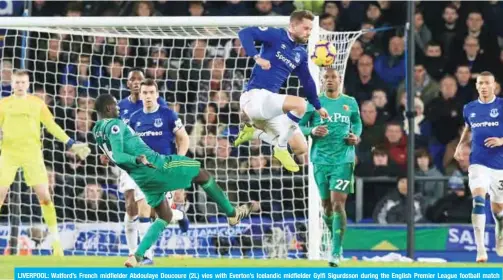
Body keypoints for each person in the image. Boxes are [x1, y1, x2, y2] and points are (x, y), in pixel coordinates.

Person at [92, 94, 258, 267]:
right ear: (108, 108)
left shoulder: (96, 130)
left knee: (164, 215)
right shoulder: (115, 125)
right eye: (115, 105)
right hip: (157, 165)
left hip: (140, 179)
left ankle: (137, 256)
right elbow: (118, 155)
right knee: (202, 175)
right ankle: (232, 214)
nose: (119, 108)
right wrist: (138, 159)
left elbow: (113, 155)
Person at [0, 70, 91, 256]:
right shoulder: (4, 104)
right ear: (11, 83)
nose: (19, 85)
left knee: (45, 196)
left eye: (23, 82)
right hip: (9, 154)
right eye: (16, 82)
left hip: (32, 154)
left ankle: (56, 242)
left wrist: (71, 143)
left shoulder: (37, 104)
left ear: (28, 83)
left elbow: (52, 126)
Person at [234, 10, 328, 173]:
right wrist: (257, 57)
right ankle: (281, 147)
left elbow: (306, 81)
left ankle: (255, 133)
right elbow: (245, 33)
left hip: (270, 103)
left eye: (310, 29)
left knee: (301, 148)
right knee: (300, 105)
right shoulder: (276, 35)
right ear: (292, 26)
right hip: (255, 97)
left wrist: (318, 106)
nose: (309, 33)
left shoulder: (300, 54)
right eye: (306, 28)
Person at [110, 69, 176, 265]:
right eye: (133, 79)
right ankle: (134, 252)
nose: (137, 83)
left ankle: (145, 253)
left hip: (151, 163)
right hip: (129, 161)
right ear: (128, 84)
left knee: (150, 209)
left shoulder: (158, 105)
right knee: (131, 206)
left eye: (140, 79)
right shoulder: (121, 107)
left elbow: (167, 131)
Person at [299, 68, 361, 267]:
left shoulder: (349, 102)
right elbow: (300, 127)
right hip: (320, 160)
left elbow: (357, 122)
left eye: (333, 77)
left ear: (339, 79)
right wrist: (312, 130)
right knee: (326, 206)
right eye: (326, 77)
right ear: (322, 81)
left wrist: (356, 136)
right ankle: (336, 238)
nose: (330, 80)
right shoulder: (314, 103)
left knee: (337, 204)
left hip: (343, 160)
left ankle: (335, 251)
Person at [126, 78, 190, 264]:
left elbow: (184, 139)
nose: (148, 96)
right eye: (144, 93)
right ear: (140, 95)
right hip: (143, 172)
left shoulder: (168, 115)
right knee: (144, 211)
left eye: (151, 93)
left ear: (157, 94)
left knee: (159, 215)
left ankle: (178, 215)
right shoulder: (134, 119)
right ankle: (148, 256)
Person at [454, 71, 503, 262]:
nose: (483, 86)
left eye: (487, 83)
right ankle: (480, 249)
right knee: (479, 200)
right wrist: (460, 144)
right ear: (477, 86)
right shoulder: (469, 108)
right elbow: (468, 128)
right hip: (478, 162)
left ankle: (500, 228)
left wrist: (501, 140)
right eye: (480, 83)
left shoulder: (501, 106)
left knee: (498, 208)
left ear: (494, 86)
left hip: (500, 165)